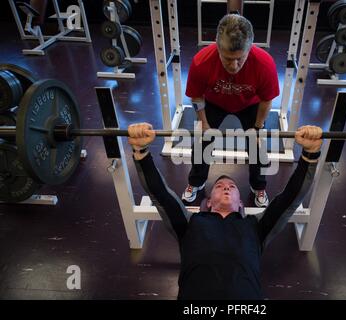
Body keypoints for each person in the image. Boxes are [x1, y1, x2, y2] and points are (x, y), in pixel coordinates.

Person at [128, 123, 323, 300]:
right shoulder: (189, 224)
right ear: (209, 202)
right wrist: (141, 151)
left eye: (232, 186)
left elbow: (289, 200)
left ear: (241, 204)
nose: (226, 187)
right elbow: (161, 195)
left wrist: (310, 154)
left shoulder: (256, 227)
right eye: (219, 186)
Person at [182, 13, 280, 207]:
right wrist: (205, 124)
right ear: (217, 48)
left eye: (240, 59)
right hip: (214, 103)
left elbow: (266, 100)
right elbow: (197, 96)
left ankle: (258, 186)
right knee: (203, 143)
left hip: (249, 105)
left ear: (249, 48)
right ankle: (196, 182)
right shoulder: (202, 62)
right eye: (228, 59)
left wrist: (258, 128)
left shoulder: (264, 64)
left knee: (257, 146)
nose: (234, 66)